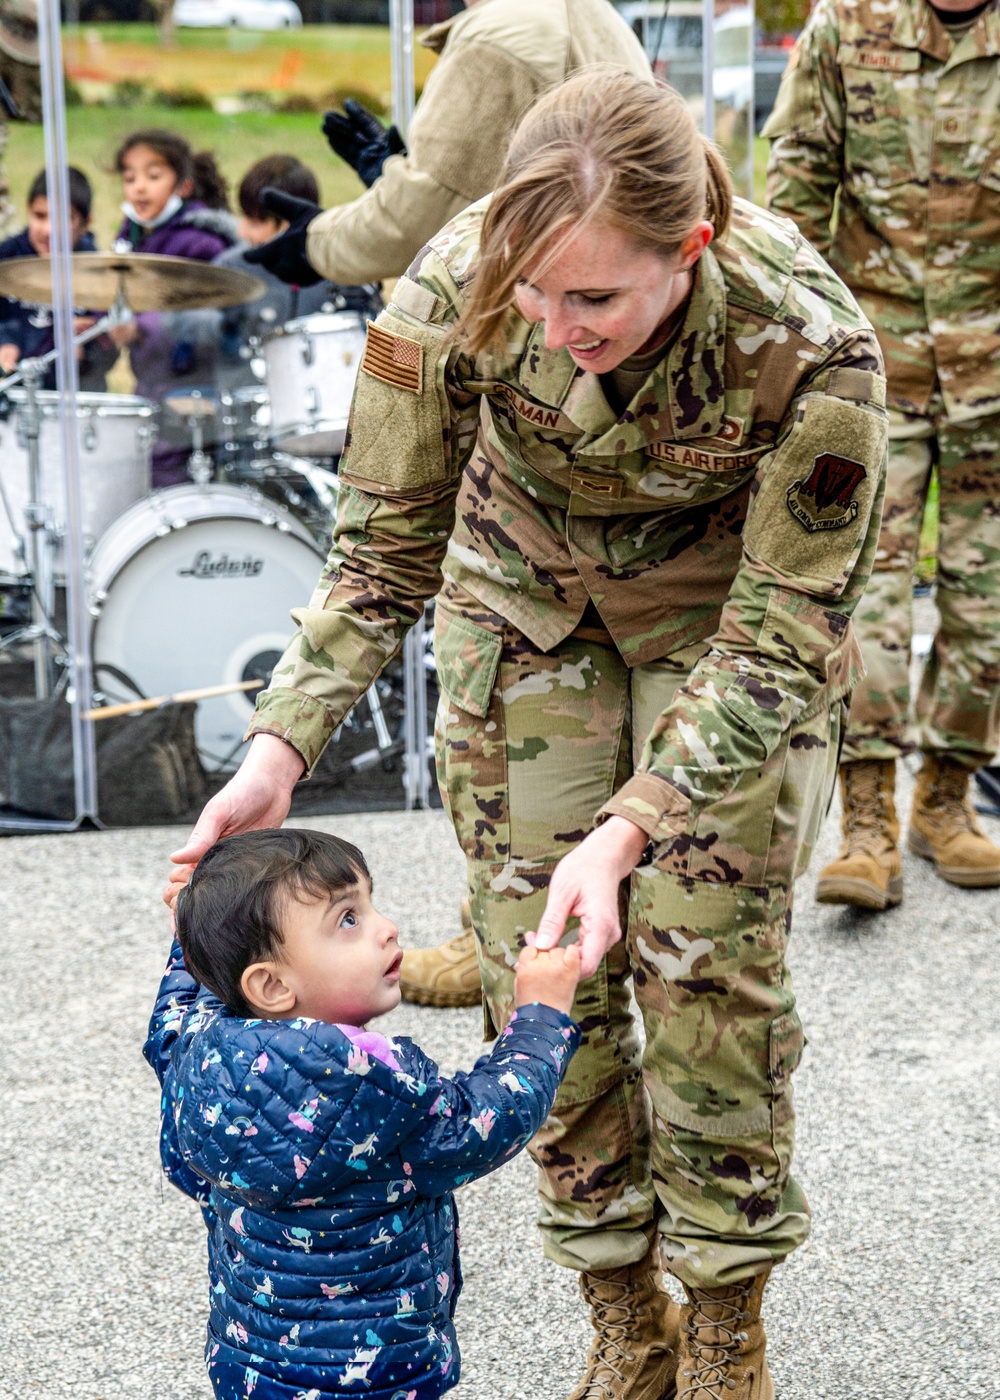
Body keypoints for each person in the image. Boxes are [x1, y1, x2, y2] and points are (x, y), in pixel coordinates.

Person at [169, 71, 889, 1400]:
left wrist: (633, 828)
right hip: (526, 610)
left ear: (694, 249)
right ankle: (621, 1304)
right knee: (537, 972)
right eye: (539, 295)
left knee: (709, 979)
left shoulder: (814, 343)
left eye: (597, 300)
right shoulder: (455, 288)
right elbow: (380, 553)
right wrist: (277, 750)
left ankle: (725, 1311)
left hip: (713, 632)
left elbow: (786, 625)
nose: (558, 331)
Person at [247, 0, 652, 1011]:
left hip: (524, 373)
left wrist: (317, 247)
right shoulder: (583, 11)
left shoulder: (489, 38)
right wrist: (390, 164)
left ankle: (499, 921)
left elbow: (424, 221)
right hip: (601, 366)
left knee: (499, 687)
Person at [147, 826, 581, 1400]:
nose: (387, 927)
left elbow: (181, 1002)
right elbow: (486, 1119)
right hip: (372, 1374)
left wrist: (195, 934)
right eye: (348, 919)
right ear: (271, 985)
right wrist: (540, 1016)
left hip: (249, 1366)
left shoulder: (196, 1052)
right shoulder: (371, 1087)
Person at [764, 0, 1000, 910]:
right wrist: (797, 351)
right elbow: (795, 193)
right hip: (873, 368)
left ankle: (946, 800)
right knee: (868, 592)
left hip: (993, 366)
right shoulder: (846, 25)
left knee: (986, 604)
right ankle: (865, 823)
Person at [111, 129, 238, 488]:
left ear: (182, 186)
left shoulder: (200, 242)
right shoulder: (132, 240)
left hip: (195, 397)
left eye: (153, 176)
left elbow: (217, 320)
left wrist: (143, 328)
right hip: (151, 387)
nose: (139, 188)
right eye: (130, 177)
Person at [212, 153, 380, 397]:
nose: (242, 230)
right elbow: (186, 317)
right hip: (251, 403)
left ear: (289, 224)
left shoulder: (341, 268)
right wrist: (221, 327)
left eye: (255, 222)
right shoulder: (232, 267)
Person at [0, 167, 119, 390]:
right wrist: (6, 341)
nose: (49, 230)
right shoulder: (6, 258)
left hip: (77, 392)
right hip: (14, 392)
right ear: (28, 211)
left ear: (86, 223)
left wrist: (87, 345)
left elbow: (111, 351)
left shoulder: (97, 272)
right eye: (40, 215)